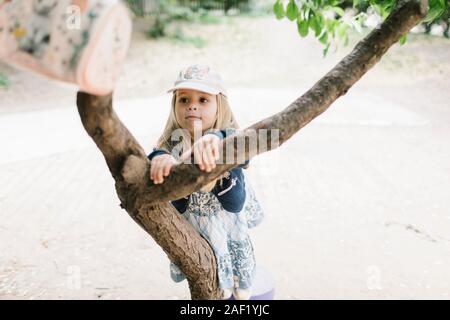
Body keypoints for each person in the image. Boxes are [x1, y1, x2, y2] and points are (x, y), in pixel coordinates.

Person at [147, 64, 262, 300]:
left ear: (220, 105)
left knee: (237, 262)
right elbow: (155, 154)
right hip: (196, 220)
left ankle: (241, 282)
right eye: (184, 99)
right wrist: (161, 159)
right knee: (205, 265)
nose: (192, 105)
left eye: (203, 100)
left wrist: (215, 138)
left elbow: (245, 149)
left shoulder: (227, 135)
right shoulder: (173, 140)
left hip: (227, 213)